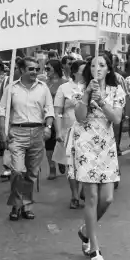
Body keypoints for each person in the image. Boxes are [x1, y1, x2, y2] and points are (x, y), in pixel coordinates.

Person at [70, 54, 125, 260]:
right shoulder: (79, 88)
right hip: (85, 144)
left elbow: (117, 118)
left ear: (109, 69)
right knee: (91, 197)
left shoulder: (117, 90)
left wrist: (101, 99)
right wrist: (87, 95)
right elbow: (80, 116)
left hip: (106, 145)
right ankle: (94, 247)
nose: (97, 68)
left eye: (101, 65)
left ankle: (85, 231)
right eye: (93, 65)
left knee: (108, 198)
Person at [0, 57, 54, 222]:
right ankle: (16, 205)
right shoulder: (11, 89)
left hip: (37, 132)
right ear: (21, 70)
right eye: (31, 69)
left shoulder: (43, 88)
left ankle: (26, 206)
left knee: (31, 173)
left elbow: (49, 109)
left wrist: (48, 127)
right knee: (17, 171)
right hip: (17, 132)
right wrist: (3, 131)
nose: (35, 72)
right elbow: (2, 110)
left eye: (37, 69)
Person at [54, 60, 87, 209]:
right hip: (69, 129)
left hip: (87, 130)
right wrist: (58, 130)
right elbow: (57, 111)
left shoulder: (91, 86)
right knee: (72, 165)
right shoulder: (64, 88)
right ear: (74, 72)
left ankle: (82, 190)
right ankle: (74, 195)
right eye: (82, 70)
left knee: (85, 163)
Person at [44, 59, 65, 180]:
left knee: (61, 141)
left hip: (61, 116)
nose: (46, 71)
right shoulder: (45, 83)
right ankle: (52, 168)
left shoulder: (64, 83)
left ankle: (61, 161)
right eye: (45, 69)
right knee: (49, 144)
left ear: (56, 69)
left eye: (48, 69)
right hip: (48, 117)